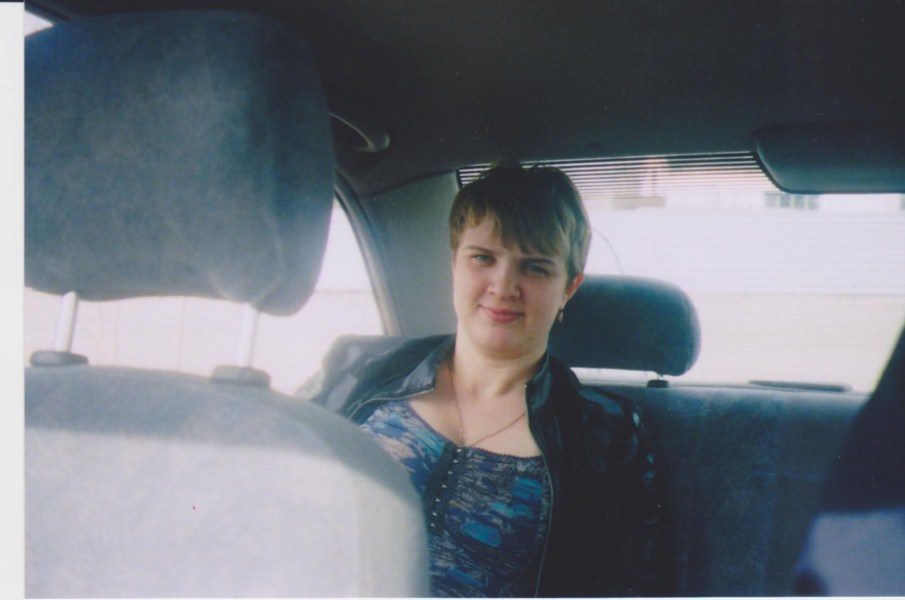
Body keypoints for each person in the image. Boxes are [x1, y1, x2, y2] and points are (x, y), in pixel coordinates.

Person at [305, 161, 666, 597]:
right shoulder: (360, 368)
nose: (503, 285)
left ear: (568, 288)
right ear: (454, 264)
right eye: (483, 258)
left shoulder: (605, 435)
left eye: (535, 268)